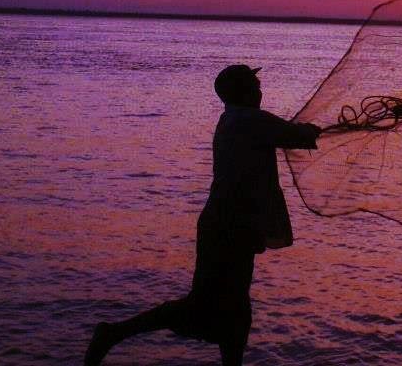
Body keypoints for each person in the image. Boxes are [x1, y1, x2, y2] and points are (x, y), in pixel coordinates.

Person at [85, 64, 321, 365]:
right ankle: (112, 333)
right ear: (244, 92)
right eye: (255, 85)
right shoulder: (248, 119)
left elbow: (286, 134)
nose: (260, 91)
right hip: (228, 227)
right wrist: (312, 131)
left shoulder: (233, 119)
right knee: (205, 305)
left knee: (236, 310)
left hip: (230, 225)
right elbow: (295, 135)